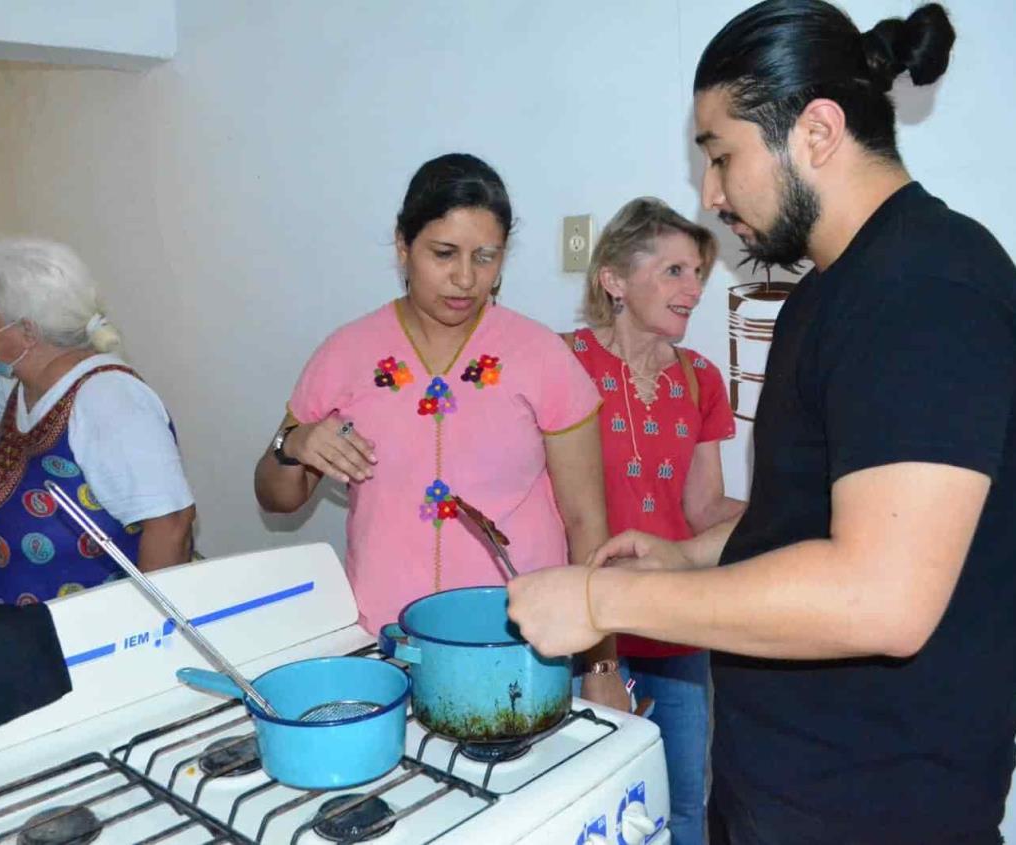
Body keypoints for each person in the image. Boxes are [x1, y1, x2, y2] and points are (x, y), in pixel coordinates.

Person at [507, 2, 1016, 843]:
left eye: (719, 155)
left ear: (815, 131)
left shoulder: (925, 287)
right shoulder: (825, 295)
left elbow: (878, 597)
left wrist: (602, 597)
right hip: (782, 787)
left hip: (877, 809)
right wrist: (682, 555)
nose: (709, 194)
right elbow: (803, 515)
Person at [255, 152, 627, 709]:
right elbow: (275, 496)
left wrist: (601, 663)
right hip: (386, 647)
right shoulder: (346, 354)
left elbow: (586, 521)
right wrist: (295, 445)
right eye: (443, 254)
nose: (465, 278)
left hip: (521, 644)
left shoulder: (541, 356)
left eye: (486, 257)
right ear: (404, 247)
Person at [0, 239, 196, 612]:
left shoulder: (109, 399)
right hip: (23, 640)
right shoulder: (31, 387)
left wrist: (146, 634)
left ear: (27, 332)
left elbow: (171, 524)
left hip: (91, 645)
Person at [564, 197, 744, 845]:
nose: (693, 289)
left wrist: (804, 509)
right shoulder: (561, 364)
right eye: (673, 270)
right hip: (580, 633)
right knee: (579, 806)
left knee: (682, 804)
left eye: (696, 272)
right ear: (613, 279)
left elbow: (704, 509)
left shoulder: (699, 380)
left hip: (675, 629)